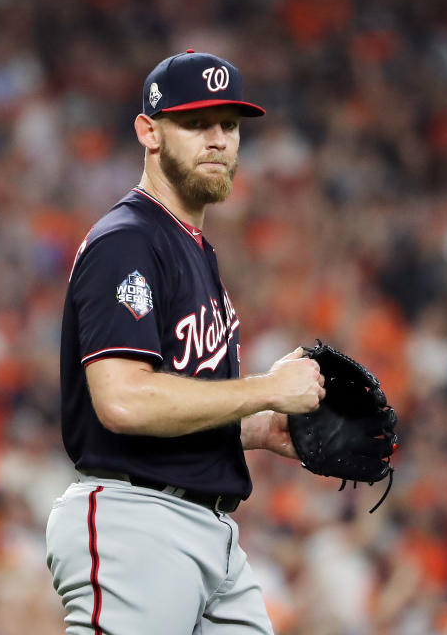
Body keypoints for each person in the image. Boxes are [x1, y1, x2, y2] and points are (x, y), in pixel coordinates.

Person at [45, 50, 326, 635]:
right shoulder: (127, 241)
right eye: (196, 123)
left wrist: (255, 427)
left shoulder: (191, 247)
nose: (218, 140)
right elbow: (124, 401)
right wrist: (266, 388)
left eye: (229, 125)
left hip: (211, 535)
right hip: (136, 525)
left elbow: (174, 406)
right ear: (149, 131)